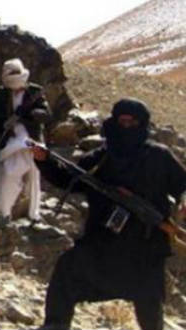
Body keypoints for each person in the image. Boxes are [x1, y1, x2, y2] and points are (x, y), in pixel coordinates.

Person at [33, 98, 186, 330]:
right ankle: (56, 325)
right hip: (103, 242)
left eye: (132, 122)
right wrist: (44, 161)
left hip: (144, 246)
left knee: (149, 301)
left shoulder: (159, 156)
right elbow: (69, 179)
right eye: (122, 121)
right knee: (68, 269)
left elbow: (182, 184)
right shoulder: (102, 157)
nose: (126, 127)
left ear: (142, 124)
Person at [0, 58, 50, 223]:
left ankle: (34, 214)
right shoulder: (0, 94)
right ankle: (5, 212)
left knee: (34, 177)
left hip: (32, 139)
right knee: (8, 174)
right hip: (10, 140)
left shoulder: (35, 91)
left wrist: (29, 114)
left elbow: (45, 115)